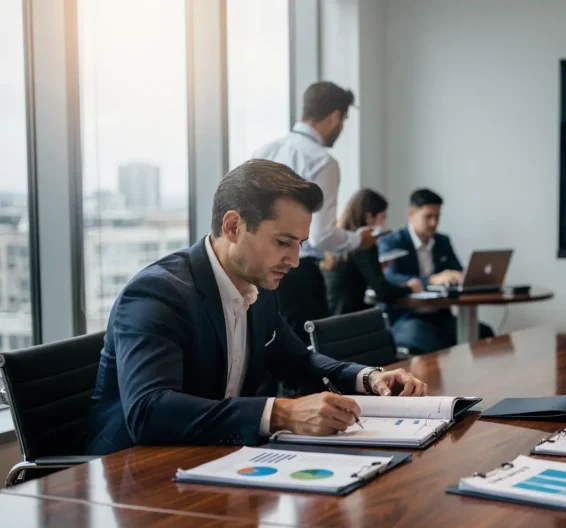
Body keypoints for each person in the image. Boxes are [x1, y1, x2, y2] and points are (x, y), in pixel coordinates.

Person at [84, 160, 428, 455]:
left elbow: (298, 361)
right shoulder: (157, 293)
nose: (294, 261)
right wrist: (281, 413)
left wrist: (368, 377)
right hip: (129, 477)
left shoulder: (259, 287)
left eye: (300, 245)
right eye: (282, 242)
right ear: (233, 226)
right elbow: (149, 412)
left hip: (216, 461)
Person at [251, 81, 376, 342]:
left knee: (263, 356)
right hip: (297, 275)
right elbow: (321, 236)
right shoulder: (322, 161)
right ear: (334, 117)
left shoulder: (264, 151)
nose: (341, 128)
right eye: (344, 120)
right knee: (305, 362)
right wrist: (357, 240)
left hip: (256, 270)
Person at [377, 188, 494, 354]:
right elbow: (390, 277)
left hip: (440, 316)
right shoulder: (392, 242)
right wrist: (431, 279)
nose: (434, 223)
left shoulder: (442, 241)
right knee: (434, 341)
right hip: (406, 317)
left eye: (437, 216)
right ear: (411, 214)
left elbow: (457, 271)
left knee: (484, 334)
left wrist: (464, 276)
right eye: (428, 216)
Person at [325, 188, 415, 315]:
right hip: (352, 320)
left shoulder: (340, 241)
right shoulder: (364, 244)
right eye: (383, 217)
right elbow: (383, 292)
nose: (384, 223)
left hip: (331, 319)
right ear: (369, 217)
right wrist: (410, 288)